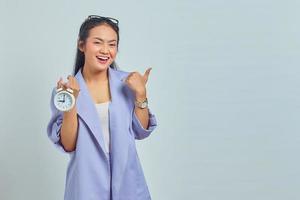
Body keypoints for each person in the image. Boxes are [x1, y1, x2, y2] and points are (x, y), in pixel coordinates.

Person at [46, 15, 158, 200]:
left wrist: (141, 94)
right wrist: (71, 104)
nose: (105, 50)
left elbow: (141, 131)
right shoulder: (66, 91)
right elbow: (69, 144)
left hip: (128, 182)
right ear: (81, 45)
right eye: (98, 42)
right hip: (86, 184)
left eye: (112, 44)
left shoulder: (128, 83)